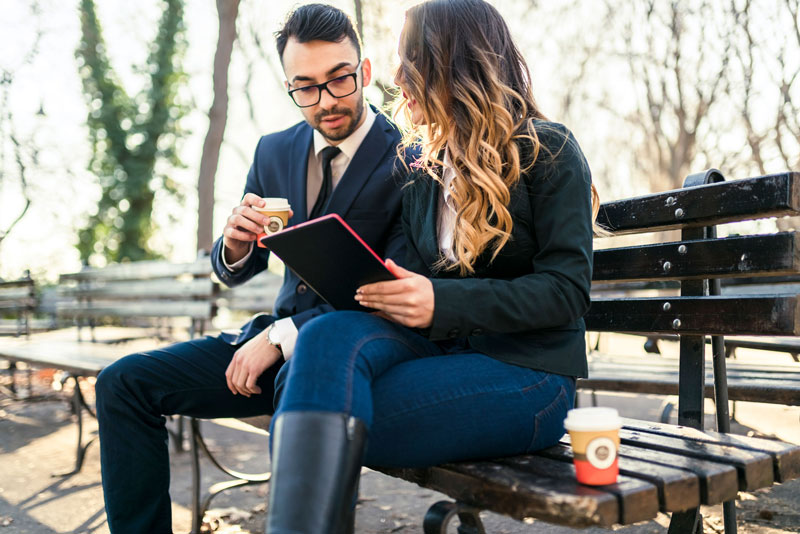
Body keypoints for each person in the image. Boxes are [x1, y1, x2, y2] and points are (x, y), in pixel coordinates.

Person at [264, 0, 602, 532]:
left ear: (458, 62)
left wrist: (442, 302)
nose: (396, 77)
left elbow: (566, 291)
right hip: (440, 353)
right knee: (323, 344)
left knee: (309, 402)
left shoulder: (549, 150)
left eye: (410, 59)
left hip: (530, 376)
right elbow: (410, 274)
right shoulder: (421, 169)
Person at [94, 4, 415, 533]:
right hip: (268, 342)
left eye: (340, 80)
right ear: (288, 85)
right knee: (122, 383)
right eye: (305, 87)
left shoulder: (409, 154)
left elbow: (398, 289)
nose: (327, 101)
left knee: (304, 393)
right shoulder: (274, 151)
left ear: (367, 71)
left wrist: (287, 335)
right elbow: (236, 270)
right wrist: (237, 244)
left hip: (350, 357)